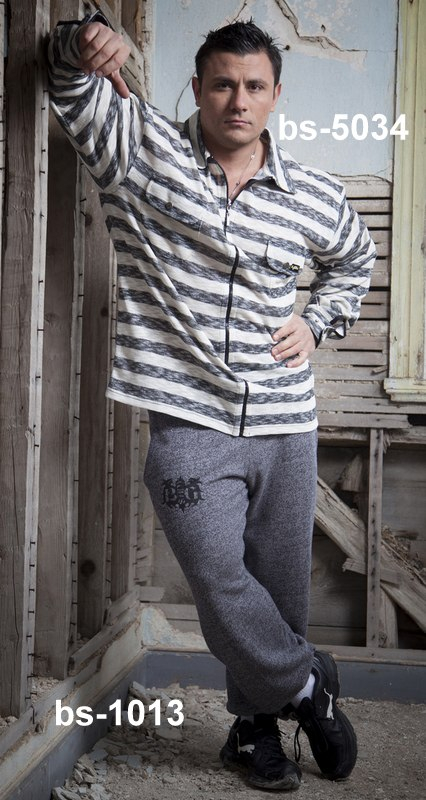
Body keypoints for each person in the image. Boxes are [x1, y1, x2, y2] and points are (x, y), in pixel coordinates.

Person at [48, 12, 375, 792]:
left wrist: (318, 321)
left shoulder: (312, 195)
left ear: (275, 95)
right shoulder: (141, 154)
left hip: (287, 423)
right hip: (188, 420)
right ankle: (307, 684)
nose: (239, 100)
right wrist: (82, 40)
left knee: (278, 591)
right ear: (197, 88)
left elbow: (355, 260)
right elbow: (66, 84)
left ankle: (253, 732)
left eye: (254, 86)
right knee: (221, 581)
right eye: (223, 84)